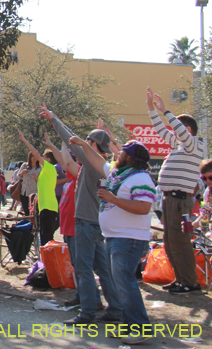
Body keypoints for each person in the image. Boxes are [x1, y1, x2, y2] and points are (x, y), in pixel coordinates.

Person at [41, 105, 123, 326]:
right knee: (103, 270)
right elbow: (72, 147)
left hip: (87, 223)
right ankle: (115, 308)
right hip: (97, 223)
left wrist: (54, 119)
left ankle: (87, 313)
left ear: (93, 145)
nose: (83, 142)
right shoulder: (106, 165)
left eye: (87, 140)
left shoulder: (91, 162)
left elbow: (72, 142)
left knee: (84, 269)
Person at [80, 139, 156, 344]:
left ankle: (141, 328)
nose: (118, 154)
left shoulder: (141, 178)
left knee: (125, 283)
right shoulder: (118, 174)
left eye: (122, 152)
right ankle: (129, 326)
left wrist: (112, 199)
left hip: (129, 238)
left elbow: (143, 208)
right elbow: (97, 161)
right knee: (121, 284)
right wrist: (82, 143)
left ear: (129, 157)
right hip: (115, 237)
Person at [147, 87, 205, 294]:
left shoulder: (194, 146)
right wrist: (152, 111)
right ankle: (181, 279)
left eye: (179, 128)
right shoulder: (179, 146)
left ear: (187, 130)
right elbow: (162, 131)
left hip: (181, 201)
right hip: (170, 199)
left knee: (180, 242)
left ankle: (190, 282)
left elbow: (176, 130)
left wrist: (165, 111)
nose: (174, 132)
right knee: (170, 243)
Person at [42, 133, 81, 307]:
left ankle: (85, 298)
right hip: (67, 229)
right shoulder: (70, 179)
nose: (65, 166)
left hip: (75, 228)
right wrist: (52, 145)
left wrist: (65, 143)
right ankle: (82, 296)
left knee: (81, 266)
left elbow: (66, 161)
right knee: (76, 264)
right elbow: (62, 160)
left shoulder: (79, 176)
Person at [18, 131, 63, 246]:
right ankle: (45, 260)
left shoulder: (49, 168)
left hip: (49, 206)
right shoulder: (46, 171)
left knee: (47, 237)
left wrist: (24, 140)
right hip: (44, 206)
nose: (40, 158)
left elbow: (35, 153)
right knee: (44, 236)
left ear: (48, 160)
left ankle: (47, 261)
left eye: (43, 157)